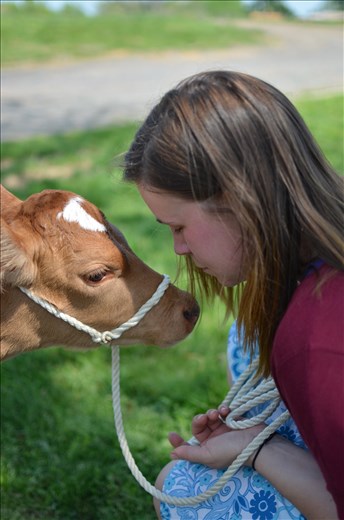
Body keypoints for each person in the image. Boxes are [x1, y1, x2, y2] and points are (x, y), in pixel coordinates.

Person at [123, 70, 343, 519]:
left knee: (179, 485)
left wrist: (263, 451)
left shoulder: (313, 338)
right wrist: (256, 436)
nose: (178, 249)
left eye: (179, 227)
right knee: (246, 338)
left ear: (239, 199)